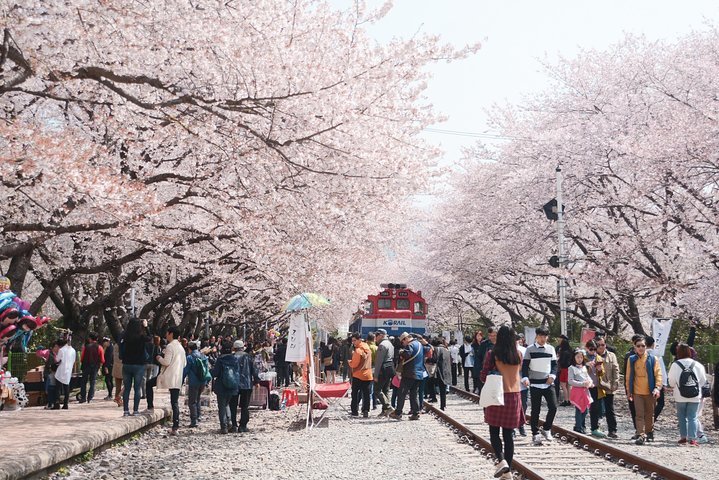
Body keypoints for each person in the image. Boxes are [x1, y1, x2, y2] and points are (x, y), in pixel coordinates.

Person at [480, 326, 525, 480]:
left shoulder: (492, 354)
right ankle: (508, 472)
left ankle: (501, 461)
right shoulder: (518, 354)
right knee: (508, 435)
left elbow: (484, 376)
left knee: (494, 431)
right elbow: (518, 371)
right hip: (514, 397)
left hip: (496, 396)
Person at [521, 326, 558, 446]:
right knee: (535, 410)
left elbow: (554, 365)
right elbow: (525, 366)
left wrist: (552, 375)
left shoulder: (551, 349)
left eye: (545, 336)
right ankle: (535, 433)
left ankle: (546, 429)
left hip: (548, 383)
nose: (543, 338)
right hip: (535, 383)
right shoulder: (530, 349)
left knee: (553, 407)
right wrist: (525, 378)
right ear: (536, 336)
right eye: (541, 336)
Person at [625, 335, 662, 445]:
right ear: (634, 347)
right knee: (639, 414)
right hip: (637, 392)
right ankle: (640, 434)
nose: (640, 348)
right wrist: (628, 391)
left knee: (650, 414)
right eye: (638, 346)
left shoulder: (653, 359)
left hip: (650, 391)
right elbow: (628, 377)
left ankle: (649, 432)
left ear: (646, 347)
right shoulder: (631, 360)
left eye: (643, 346)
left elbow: (658, 374)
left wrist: (657, 387)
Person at [668, 343, 707, 446]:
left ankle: (683, 437)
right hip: (695, 395)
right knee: (693, 417)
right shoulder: (697, 365)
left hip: (679, 395)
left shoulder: (675, 365)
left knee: (681, 416)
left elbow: (671, 382)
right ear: (689, 352)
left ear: (678, 352)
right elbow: (703, 381)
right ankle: (693, 438)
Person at [389, 332, 428, 421]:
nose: (403, 344)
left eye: (402, 342)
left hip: (409, 373)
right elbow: (428, 349)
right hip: (419, 374)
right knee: (414, 394)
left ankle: (398, 412)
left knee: (401, 393)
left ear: (406, 339)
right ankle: (415, 413)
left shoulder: (410, 345)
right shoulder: (419, 344)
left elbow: (407, 354)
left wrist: (401, 352)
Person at [156, 326, 186, 435]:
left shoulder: (170, 346)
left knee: (149, 384)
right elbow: (184, 363)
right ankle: (175, 426)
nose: (166, 335)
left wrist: (159, 358)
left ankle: (175, 427)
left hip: (169, 376)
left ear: (171, 334)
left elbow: (166, 362)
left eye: (167, 333)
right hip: (178, 376)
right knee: (175, 402)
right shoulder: (181, 347)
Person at [120, 318, 150, 416]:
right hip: (139, 365)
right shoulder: (141, 337)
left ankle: (125, 411)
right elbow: (150, 338)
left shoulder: (124, 336)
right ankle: (136, 410)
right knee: (137, 388)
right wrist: (146, 327)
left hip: (126, 364)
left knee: (127, 388)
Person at [212, 340, 241, 434]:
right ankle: (230, 423)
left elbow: (215, 373)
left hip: (221, 386)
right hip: (233, 386)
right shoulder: (235, 359)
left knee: (222, 406)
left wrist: (210, 372)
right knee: (227, 404)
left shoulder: (220, 360)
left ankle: (224, 427)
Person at [234, 340, 261, 433]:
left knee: (232, 405)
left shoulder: (232, 357)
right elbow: (254, 369)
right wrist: (257, 380)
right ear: (243, 347)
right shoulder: (248, 357)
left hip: (234, 384)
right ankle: (243, 425)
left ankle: (233, 425)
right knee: (245, 406)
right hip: (246, 384)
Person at [596, 336, 619, 438]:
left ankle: (612, 430)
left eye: (603, 344)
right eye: (598, 345)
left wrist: (615, 383)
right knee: (596, 408)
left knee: (610, 409)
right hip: (596, 386)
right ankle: (595, 428)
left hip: (608, 386)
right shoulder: (592, 355)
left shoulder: (611, 355)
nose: (601, 347)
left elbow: (616, 370)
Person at [184, 341, 210, 428]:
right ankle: (199, 416)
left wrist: (181, 380)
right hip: (202, 381)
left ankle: (194, 420)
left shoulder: (189, 358)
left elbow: (186, 370)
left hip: (193, 382)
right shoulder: (203, 356)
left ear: (189, 349)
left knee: (192, 402)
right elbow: (206, 369)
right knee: (198, 399)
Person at [584, 340, 607, 438]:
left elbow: (602, 373)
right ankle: (580, 426)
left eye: (594, 349)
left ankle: (594, 428)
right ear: (586, 348)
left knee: (595, 408)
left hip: (596, 386)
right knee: (583, 408)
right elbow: (576, 369)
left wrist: (600, 370)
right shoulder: (582, 357)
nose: (593, 351)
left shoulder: (598, 358)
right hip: (585, 386)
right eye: (591, 349)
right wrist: (586, 365)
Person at [568, 348, 592, 434]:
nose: (579, 359)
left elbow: (587, 377)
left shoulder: (584, 367)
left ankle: (582, 425)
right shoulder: (571, 368)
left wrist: (590, 383)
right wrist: (582, 384)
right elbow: (570, 381)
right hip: (577, 391)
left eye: (581, 357)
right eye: (577, 357)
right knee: (579, 408)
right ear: (574, 357)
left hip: (585, 391)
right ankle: (578, 426)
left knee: (585, 409)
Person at [348, 333, 373, 418]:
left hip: (358, 374)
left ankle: (354, 411)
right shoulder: (367, 348)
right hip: (368, 374)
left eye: (354, 340)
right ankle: (366, 410)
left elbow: (354, 364)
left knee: (355, 393)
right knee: (366, 394)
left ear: (359, 339)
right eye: (352, 341)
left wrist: (349, 362)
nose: (353, 342)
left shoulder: (358, 350)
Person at [373, 328, 395, 417]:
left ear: (381, 336)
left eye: (376, 336)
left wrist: (376, 374)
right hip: (390, 367)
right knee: (386, 389)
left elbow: (379, 361)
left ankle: (388, 406)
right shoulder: (390, 344)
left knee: (377, 390)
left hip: (383, 369)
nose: (375, 338)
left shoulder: (382, 345)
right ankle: (385, 410)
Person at [79, 332, 104, 403]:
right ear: (97, 339)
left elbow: (82, 358)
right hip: (95, 366)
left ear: (90, 339)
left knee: (83, 382)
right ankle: (90, 397)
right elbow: (102, 359)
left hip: (85, 365)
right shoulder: (99, 347)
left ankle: (83, 397)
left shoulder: (85, 347)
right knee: (92, 382)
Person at [55, 337, 76, 410]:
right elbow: (73, 361)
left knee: (57, 388)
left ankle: (57, 404)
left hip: (60, 371)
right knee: (66, 388)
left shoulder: (61, 350)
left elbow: (57, 360)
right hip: (68, 370)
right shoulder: (73, 350)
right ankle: (65, 404)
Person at [433, 338, 451, 411]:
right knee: (443, 389)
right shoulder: (447, 350)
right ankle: (443, 405)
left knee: (436, 386)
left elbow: (434, 359)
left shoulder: (437, 349)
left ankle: (436, 400)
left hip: (439, 370)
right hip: (446, 370)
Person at [516, 333, 528, 437]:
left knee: (523, 404)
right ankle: (512, 427)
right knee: (512, 405)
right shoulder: (505, 350)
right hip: (510, 382)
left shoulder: (524, 350)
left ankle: (521, 424)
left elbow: (527, 365)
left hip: (522, 381)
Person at [44, 341, 60, 409]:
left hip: (53, 379)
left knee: (52, 394)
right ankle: (50, 403)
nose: (57, 348)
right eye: (56, 346)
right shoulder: (49, 354)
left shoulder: (57, 354)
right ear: (52, 348)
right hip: (49, 373)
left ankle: (51, 403)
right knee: (51, 394)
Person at [557, 336, 572, 406]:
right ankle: (569, 400)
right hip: (570, 369)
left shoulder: (563, 352)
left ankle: (566, 400)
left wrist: (558, 360)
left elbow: (562, 362)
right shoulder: (570, 350)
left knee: (563, 386)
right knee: (568, 386)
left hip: (563, 369)